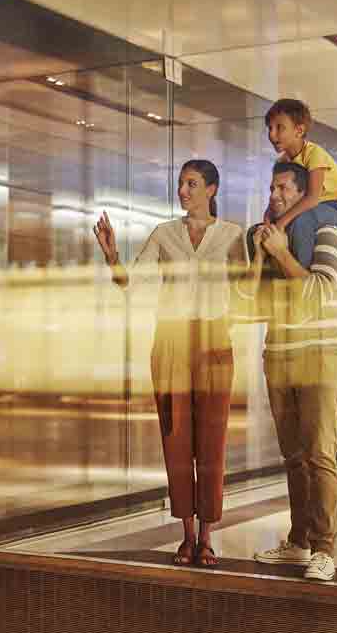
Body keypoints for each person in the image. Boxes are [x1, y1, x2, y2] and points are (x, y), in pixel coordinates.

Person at [93, 160, 249, 569]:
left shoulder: (232, 236)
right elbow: (131, 283)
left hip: (215, 340)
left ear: (211, 189)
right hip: (171, 340)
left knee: (212, 443)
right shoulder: (164, 234)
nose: (182, 191)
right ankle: (185, 535)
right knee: (176, 440)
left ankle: (207, 536)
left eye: (192, 184)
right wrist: (112, 256)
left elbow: (248, 290)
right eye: (181, 183)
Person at [245, 161, 337, 582]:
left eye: (283, 188)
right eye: (271, 188)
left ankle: (324, 548)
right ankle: (299, 541)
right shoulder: (271, 238)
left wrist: (281, 253)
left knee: (319, 452)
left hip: (320, 352)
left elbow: (321, 295)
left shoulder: (326, 232)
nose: (274, 195)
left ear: (304, 193)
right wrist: (258, 257)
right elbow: (252, 305)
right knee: (293, 457)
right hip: (279, 353)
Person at [264, 98, 337, 269]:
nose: (272, 134)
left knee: (300, 221)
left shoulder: (314, 154)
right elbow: (276, 197)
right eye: (270, 128)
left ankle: (302, 275)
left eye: (279, 128)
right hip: (313, 207)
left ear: (299, 130)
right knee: (267, 228)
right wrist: (268, 217)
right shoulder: (282, 161)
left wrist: (281, 222)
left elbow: (312, 198)